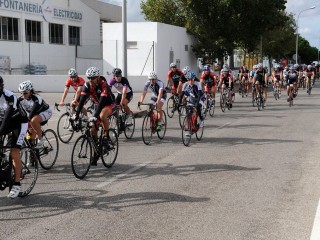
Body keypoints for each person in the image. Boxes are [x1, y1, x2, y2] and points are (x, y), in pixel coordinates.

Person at [73, 67, 115, 165]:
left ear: (98, 77)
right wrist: (76, 114)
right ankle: (97, 151)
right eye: (89, 78)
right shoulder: (87, 85)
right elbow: (82, 101)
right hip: (98, 105)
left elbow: (101, 102)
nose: (91, 80)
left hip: (108, 104)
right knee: (92, 129)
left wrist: (95, 116)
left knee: (102, 116)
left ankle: (106, 137)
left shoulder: (104, 84)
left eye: (93, 78)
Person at [0, 76, 28, 198]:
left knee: (15, 152)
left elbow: (7, 118)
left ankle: (16, 183)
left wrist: (1, 132)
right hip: (4, 122)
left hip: (19, 123)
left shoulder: (9, 96)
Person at [18, 80, 52, 149]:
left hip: (46, 112)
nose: (23, 95)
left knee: (33, 120)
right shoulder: (20, 100)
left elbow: (32, 112)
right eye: (21, 93)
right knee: (30, 138)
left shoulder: (36, 99)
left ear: (30, 92)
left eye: (25, 93)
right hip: (34, 115)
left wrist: (26, 120)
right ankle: (33, 154)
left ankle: (40, 138)